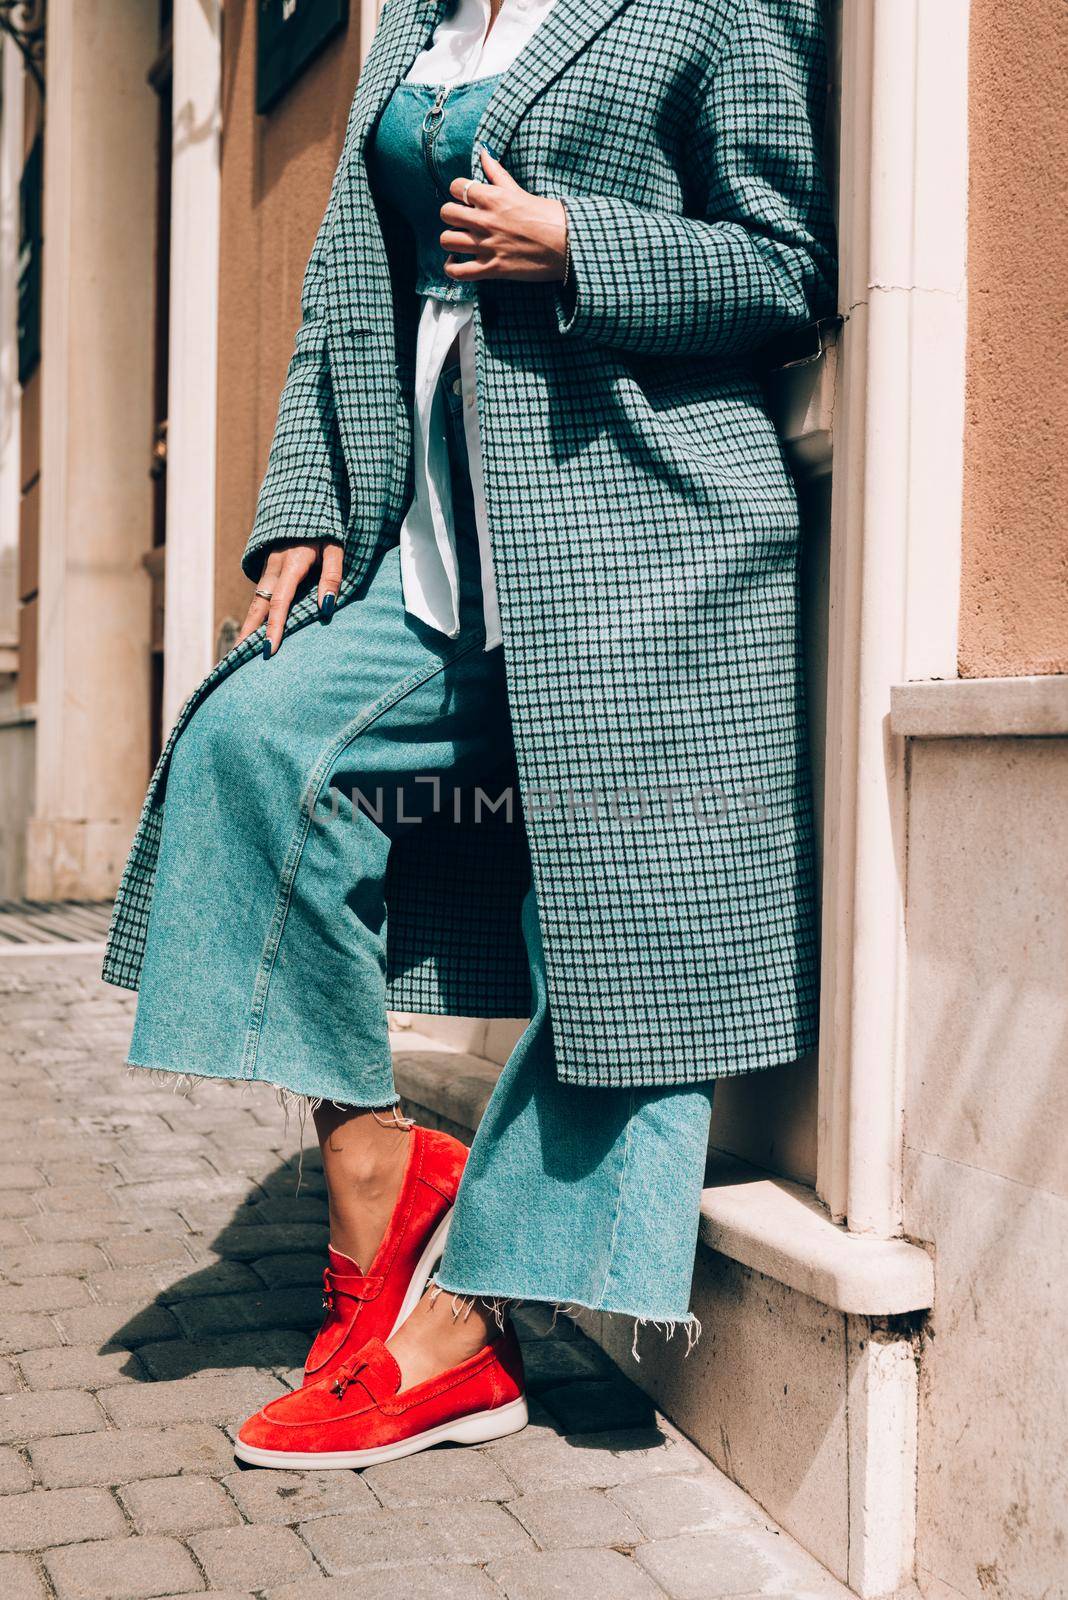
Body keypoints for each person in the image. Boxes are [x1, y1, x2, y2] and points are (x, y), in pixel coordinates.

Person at [103, 0, 837, 1470]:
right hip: (434, 560)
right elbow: (342, 289)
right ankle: (380, 1170)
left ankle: (465, 1337)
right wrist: (304, 495)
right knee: (250, 746)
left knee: (630, 946)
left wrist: (582, 246)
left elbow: (785, 260)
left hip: (647, 543)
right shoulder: (414, 27)